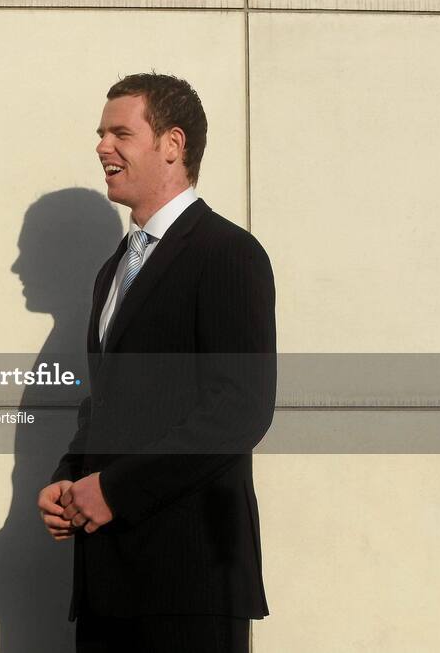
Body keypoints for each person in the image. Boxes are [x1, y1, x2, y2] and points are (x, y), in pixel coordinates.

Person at [37, 73, 276, 653]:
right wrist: (69, 478)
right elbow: (108, 404)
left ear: (173, 144)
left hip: (189, 579)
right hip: (108, 582)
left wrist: (114, 490)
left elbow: (239, 410)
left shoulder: (228, 253)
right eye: (101, 134)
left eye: (120, 133)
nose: (102, 146)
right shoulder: (113, 271)